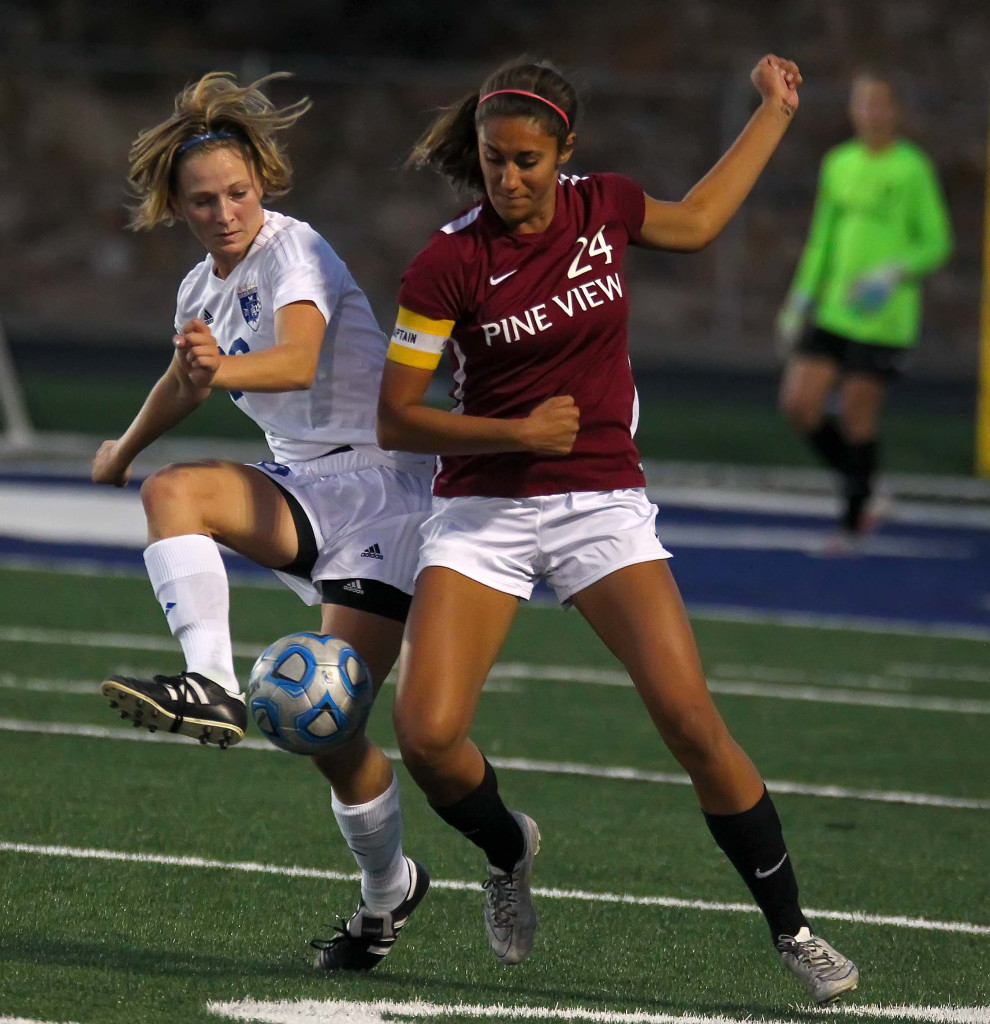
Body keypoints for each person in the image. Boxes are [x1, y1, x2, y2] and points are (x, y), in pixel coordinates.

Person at [375, 56, 859, 1006]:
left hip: (600, 501)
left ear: (566, 155)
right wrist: (515, 432)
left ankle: (793, 929)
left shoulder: (610, 208)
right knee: (426, 736)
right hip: (484, 511)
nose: (508, 180)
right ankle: (508, 848)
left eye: (526, 161)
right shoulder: (446, 262)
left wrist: (772, 110)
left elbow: (705, 218)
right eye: (492, 160)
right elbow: (397, 417)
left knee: (689, 720)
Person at [90, 71, 432, 971]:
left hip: (386, 493)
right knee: (171, 492)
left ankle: (386, 890)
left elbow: (297, 359)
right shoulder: (198, 290)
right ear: (176, 205)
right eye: (203, 201)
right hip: (306, 486)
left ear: (264, 184)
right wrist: (124, 450)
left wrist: (215, 374)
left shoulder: (298, 251)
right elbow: (183, 376)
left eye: (238, 192)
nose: (225, 212)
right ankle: (211, 682)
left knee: (328, 725)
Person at [775, 69, 952, 547]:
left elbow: (937, 242)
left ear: (894, 110)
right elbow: (822, 240)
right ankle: (866, 486)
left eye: (880, 103)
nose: (871, 112)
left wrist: (894, 272)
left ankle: (853, 523)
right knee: (799, 403)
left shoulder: (911, 168)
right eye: (863, 103)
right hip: (834, 311)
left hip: (885, 320)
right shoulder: (839, 163)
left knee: (857, 411)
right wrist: (800, 299)